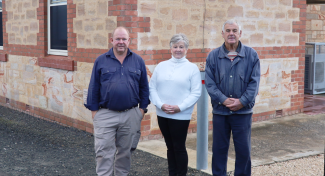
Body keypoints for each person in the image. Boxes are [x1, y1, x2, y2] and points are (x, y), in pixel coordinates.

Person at [85, 27, 150, 176]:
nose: (121, 42)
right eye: (118, 39)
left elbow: (144, 87)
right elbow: (93, 87)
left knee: (125, 153)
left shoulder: (138, 61)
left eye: (124, 39)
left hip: (130, 114)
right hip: (105, 114)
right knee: (103, 152)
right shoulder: (101, 60)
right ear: (112, 40)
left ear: (129, 41)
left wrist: (141, 110)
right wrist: (95, 112)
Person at [205, 20, 260, 176]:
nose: (231, 33)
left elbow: (254, 84)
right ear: (222, 33)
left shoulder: (252, 55)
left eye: (234, 30)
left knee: (243, 152)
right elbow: (210, 84)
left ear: (240, 33)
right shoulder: (213, 56)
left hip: (242, 114)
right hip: (220, 113)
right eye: (228, 30)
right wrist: (223, 100)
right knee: (219, 151)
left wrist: (242, 102)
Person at [149, 33, 202, 176]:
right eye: (175, 46)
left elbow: (196, 92)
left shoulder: (192, 68)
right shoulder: (161, 66)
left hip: (181, 115)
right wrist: (160, 105)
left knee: (178, 147)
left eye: (181, 47)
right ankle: (172, 173)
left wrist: (180, 107)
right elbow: (152, 88)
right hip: (162, 113)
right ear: (170, 48)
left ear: (186, 49)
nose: (178, 49)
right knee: (169, 146)